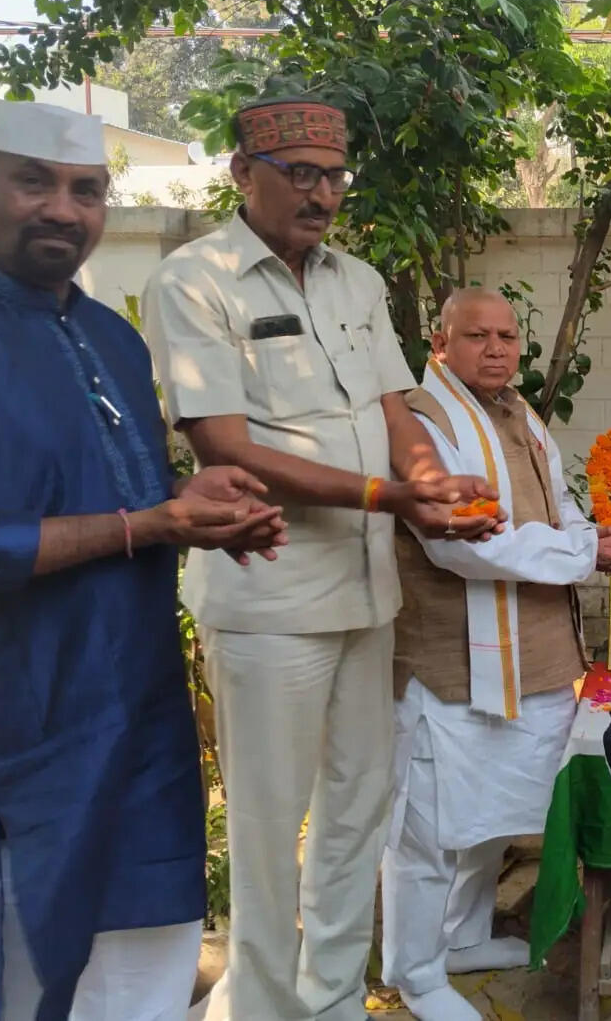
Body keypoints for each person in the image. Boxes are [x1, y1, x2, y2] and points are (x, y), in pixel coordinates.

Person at [0, 99, 288, 1021]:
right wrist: (151, 525)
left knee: (148, 960)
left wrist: (206, 511)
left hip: (139, 723)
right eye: (34, 183)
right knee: (17, 976)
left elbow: (128, 490)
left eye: (86, 190)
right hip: (11, 737)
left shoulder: (115, 341)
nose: (63, 209)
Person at [139, 95, 500, 1021]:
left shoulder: (359, 281)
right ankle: (261, 1008)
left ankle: (332, 999)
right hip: (267, 596)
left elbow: (392, 411)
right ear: (241, 173)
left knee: (356, 812)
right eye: (301, 174)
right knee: (266, 827)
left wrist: (435, 483)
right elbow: (225, 444)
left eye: (334, 175)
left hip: (364, 594)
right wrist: (390, 497)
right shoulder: (196, 279)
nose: (323, 194)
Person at [380, 287, 611, 1021]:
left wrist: (595, 534)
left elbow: (555, 504)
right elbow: (459, 542)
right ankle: (415, 970)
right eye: (476, 336)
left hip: (537, 652)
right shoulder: (419, 419)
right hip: (451, 660)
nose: (496, 349)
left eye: (505, 336)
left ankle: (461, 937)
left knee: (490, 812)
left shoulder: (518, 411)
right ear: (440, 345)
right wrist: (587, 551)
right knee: (430, 823)